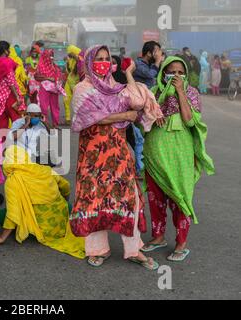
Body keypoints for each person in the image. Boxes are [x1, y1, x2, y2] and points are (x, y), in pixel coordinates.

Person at [70, 45, 160, 271]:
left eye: (106, 58)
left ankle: (133, 250)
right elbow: (91, 117)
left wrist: (128, 72)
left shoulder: (116, 87)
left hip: (118, 151)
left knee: (128, 196)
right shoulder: (83, 89)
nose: (102, 62)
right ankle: (98, 249)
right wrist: (124, 115)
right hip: (92, 153)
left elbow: (138, 103)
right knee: (94, 198)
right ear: (89, 62)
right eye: (98, 59)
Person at [142, 56, 215, 262]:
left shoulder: (191, 93)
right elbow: (142, 122)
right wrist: (151, 116)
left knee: (179, 197)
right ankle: (158, 237)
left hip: (180, 154)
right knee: (156, 199)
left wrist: (181, 91)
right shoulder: (154, 93)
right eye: (171, 71)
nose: (175, 76)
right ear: (163, 72)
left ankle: (182, 242)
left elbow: (190, 122)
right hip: (155, 153)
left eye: (179, 72)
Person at [0, 145, 86, 260]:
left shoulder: (13, 180)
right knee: (66, 206)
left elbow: (13, 213)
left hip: (46, 229)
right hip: (62, 218)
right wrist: (64, 203)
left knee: (0, 216)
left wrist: (1, 237)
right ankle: (64, 208)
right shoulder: (44, 169)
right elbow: (66, 186)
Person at [0, 41, 25, 132]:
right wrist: (17, 96)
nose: (9, 51)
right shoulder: (7, 62)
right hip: (9, 97)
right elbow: (11, 81)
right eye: (8, 49)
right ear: (5, 51)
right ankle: (17, 144)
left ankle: (3, 145)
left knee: (1, 126)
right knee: (18, 123)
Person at [35, 49, 65, 128]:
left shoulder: (54, 66)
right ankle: (45, 123)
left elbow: (59, 76)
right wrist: (48, 78)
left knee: (55, 106)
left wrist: (57, 79)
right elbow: (36, 77)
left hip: (54, 89)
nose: (51, 58)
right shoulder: (40, 66)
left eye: (52, 56)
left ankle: (55, 124)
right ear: (45, 56)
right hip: (44, 88)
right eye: (49, 56)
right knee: (43, 107)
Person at [64, 45, 82, 125]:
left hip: (77, 83)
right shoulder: (70, 60)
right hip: (69, 81)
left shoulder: (80, 59)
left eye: (69, 52)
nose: (68, 54)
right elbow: (68, 71)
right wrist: (67, 62)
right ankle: (67, 119)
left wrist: (76, 58)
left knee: (77, 102)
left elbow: (81, 67)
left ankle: (79, 119)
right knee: (66, 100)